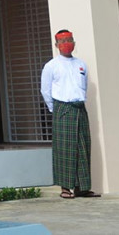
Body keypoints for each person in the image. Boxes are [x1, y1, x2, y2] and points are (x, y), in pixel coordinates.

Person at [40, 29, 97, 198]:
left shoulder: (81, 64)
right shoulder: (51, 66)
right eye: (63, 41)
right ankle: (65, 188)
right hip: (62, 108)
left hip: (80, 107)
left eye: (69, 40)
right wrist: (55, 109)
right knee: (65, 149)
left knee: (83, 147)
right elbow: (45, 90)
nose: (67, 44)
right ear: (57, 45)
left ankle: (82, 187)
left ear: (74, 42)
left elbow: (84, 86)